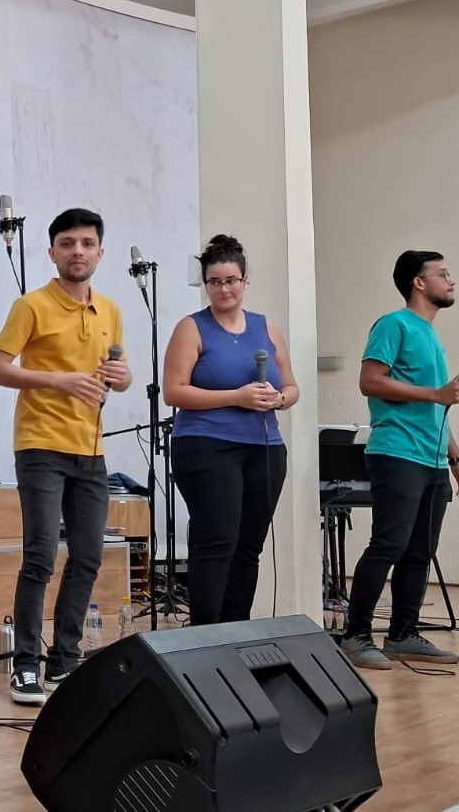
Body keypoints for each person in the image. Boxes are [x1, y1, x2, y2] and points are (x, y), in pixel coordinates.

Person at [0, 207, 131, 705]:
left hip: (91, 448)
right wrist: (57, 379)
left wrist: (122, 378)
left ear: (100, 253)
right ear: (51, 252)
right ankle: (25, 665)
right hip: (41, 444)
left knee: (88, 556)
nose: (78, 252)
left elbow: (121, 371)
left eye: (87, 243)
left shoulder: (109, 310)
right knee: (41, 555)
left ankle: (65, 660)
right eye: (67, 243)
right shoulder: (31, 305)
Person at [340, 250, 459, 670]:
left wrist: (457, 460)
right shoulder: (393, 324)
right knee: (388, 545)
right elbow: (370, 381)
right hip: (397, 453)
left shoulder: (431, 335)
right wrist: (436, 393)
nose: (451, 280)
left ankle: (403, 634)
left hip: (433, 459)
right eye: (442, 274)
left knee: (420, 551)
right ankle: (356, 634)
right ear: (419, 283)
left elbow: (438, 408)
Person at [163, 235, 298, 626]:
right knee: (217, 541)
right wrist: (236, 396)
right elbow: (175, 391)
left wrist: (279, 399)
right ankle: (205, 632)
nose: (224, 289)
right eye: (215, 282)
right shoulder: (192, 328)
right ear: (205, 284)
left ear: (245, 280)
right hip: (207, 445)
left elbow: (292, 386)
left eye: (231, 280)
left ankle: (236, 628)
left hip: (265, 446)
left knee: (248, 546)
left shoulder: (266, 328)